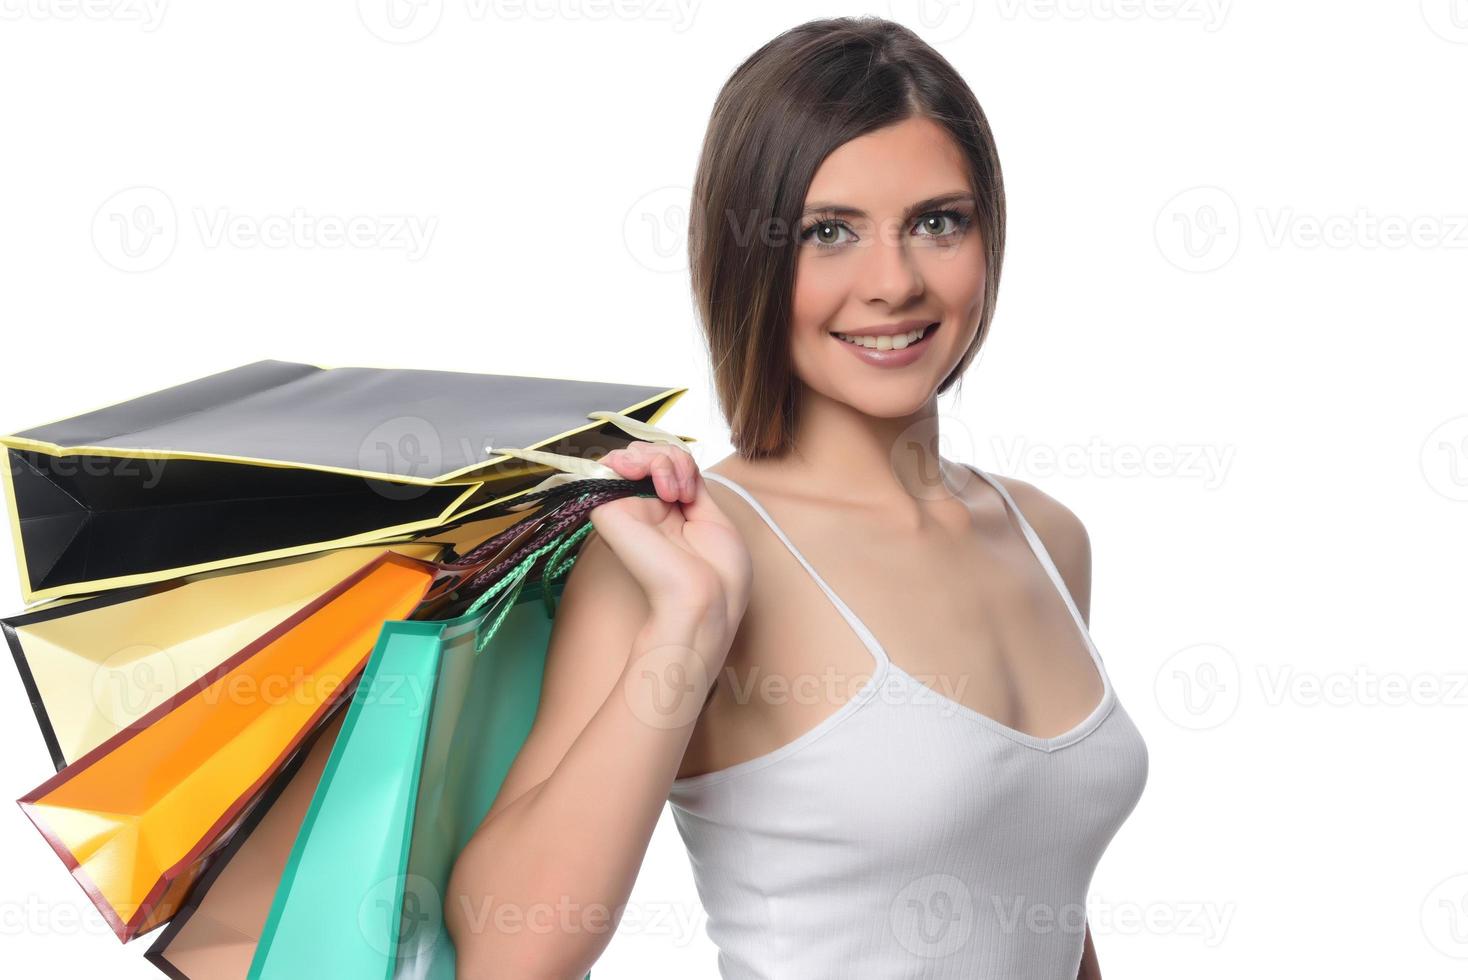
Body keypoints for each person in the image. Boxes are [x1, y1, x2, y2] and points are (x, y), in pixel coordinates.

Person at [447, 16, 1147, 979]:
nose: (893, 283)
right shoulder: (682, 559)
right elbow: (509, 956)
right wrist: (688, 626)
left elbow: (1036, 905)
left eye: (938, 222)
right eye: (829, 233)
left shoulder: (1047, 537)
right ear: (748, 259)